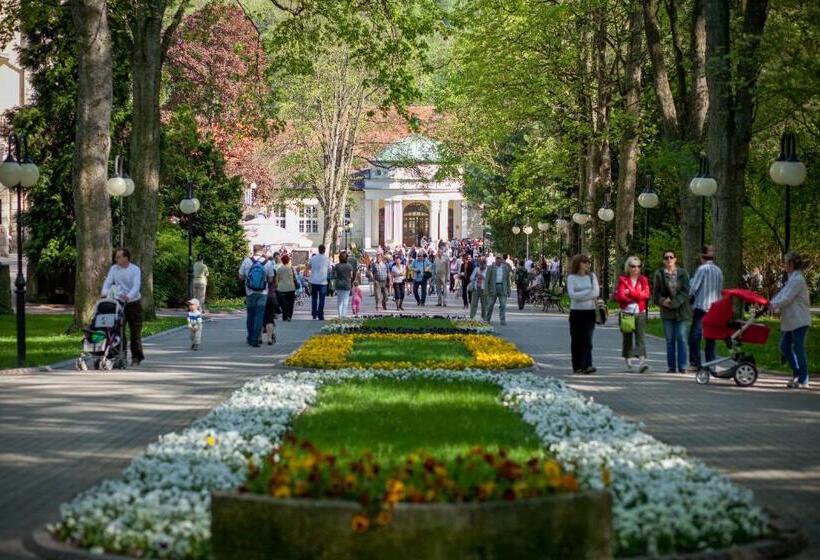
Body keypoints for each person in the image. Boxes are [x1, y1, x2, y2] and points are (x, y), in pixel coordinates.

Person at [770, 252, 811, 389]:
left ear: (792, 264)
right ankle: (797, 374)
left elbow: (787, 298)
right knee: (784, 347)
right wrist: (769, 303)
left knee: (798, 348)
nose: (784, 265)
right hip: (791, 320)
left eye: (786, 262)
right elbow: (782, 295)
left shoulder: (798, 280)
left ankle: (803, 379)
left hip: (799, 320)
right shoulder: (791, 278)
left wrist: (773, 305)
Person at [101, 248, 144, 366]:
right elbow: (108, 282)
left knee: (135, 333)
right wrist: (104, 293)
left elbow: (136, 286)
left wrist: (128, 296)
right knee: (119, 331)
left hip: (134, 303)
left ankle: (136, 357)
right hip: (119, 303)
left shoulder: (135, 269)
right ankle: (121, 355)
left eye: (119, 257)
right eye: (116, 257)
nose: (116, 259)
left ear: (126, 258)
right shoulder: (114, 269)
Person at [652, 250, 691, 373]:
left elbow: (686, 291)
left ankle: (683, 366)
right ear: (663, 260)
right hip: (666, 312)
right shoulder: (659, 274)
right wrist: (663, 301)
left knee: (682, 338)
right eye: (666, 258)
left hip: (682, 311)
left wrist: (674, 303)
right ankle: (671, 367)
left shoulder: (683, 273)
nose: (669, 259)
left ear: (675, 259)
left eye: (671, 257)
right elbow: (656, 294)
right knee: (670, 340)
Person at [688, 245, 723, 371]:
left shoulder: (702, 269)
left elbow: (694, 288)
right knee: (710, 337)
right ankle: (710, 362)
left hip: (701, 306)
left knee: (694, 336)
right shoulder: (718, 270)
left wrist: (689, 297)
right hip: (714, 308)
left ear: (701, 256)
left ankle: (695, 362)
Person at [614, 256, 651, 373]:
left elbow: (646, 295)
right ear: (628, 267)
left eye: (638, 266)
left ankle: (642, 362)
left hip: (640, 312)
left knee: (641, 338)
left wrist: (630, 293)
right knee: (627, 338)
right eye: (633, 266)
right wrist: (637, 295)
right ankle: (628, 362)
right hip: (627, 313)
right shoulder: (623, 280)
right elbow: (620, 296)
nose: (636, 269)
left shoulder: (643, 280)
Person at [567, 254, 599, 374]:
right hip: (576, 312)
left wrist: (580, 293)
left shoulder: (592, 277)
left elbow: (596, 292)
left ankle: (587, 364)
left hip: (589, 312)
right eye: (585, 262)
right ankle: (577, 366)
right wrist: (587, 292)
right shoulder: (571, 278)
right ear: (578, 264)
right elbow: (572, 295)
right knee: (576, 339)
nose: (587, 265)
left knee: (587, 339)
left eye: (588, 262)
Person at [238, 244, 275, 347]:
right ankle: (255, 339)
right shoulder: (267, 262)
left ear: (253, 250)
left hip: (249, 292)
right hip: (262, 293)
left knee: (250, 315)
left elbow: (240, 276)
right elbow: (271, 279)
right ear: (262, 251)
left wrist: (248, 279)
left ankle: (250, 337)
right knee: (259, 316)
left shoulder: (246, 261)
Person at [486, 254, 512, 325]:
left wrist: (509, 290)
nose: (498, 260)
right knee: (490, 304)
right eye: (497, 258)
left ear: (501, 260)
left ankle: (502, 320)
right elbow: (487, 279)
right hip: (493, 288)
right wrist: (486, 289)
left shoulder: (505, 268)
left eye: (499, 258)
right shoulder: (491, 268)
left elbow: (507, 279)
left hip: (502, 288)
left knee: (503, 305)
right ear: (495, 259)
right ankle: (487, 319)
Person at [308, 244, 330, 320]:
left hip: (314, 281)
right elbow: (329, 269)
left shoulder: (313, 258)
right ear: (324, 250)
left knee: (314, 298)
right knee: (322, 299)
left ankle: (314, 313)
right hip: (323, 282)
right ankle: (320, 314)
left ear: (318, 249)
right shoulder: (326, 259)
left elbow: (309, 266)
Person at [276, 254, 298, 322]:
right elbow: (295, 278)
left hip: (281, 288)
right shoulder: (292, 268)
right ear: (288, 260)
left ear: (282, 261)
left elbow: (277, 280)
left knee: (283, 304)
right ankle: (289, 316)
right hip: (291, 288)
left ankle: (284, 316)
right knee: (291, 303)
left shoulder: (279, 269)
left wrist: (277, 287)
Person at [334, 251, 354, 318]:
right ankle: (343, 316)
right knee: (345, 301)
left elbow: (334, 275)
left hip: (338, 284)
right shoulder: (349, 266)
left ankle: (339, 315)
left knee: (339, 301)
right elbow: (351, 276)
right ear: (346, 258)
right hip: (346, 284)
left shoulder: (337, 266)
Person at [262, 269, 278, 346]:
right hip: (271, 298)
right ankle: (269, 339)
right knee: (270, 319)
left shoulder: (262, 271)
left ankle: (259, 338)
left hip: (261, 297)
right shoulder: (273, 272)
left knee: (260, 318)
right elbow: (276, 286)